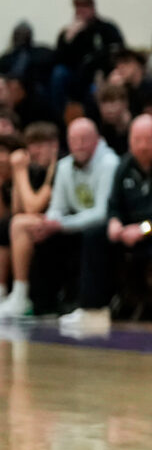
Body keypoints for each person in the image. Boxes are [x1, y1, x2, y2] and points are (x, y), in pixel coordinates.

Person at [63, 115, 152, 335]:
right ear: (130, 141)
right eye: (137, 140)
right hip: (136, 232)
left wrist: (144, 228)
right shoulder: (125, 165)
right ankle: (93, 309)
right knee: (95, 234)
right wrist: (115, 222)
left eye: (149, 139)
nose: (143, 145)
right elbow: (114, 204)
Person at [0, 119, 117, 321]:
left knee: (23, 224)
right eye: (74, 139)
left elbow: (101, 213)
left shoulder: (109, 163)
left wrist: (59, 224)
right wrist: (50, 223)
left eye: (84, 139)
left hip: (101, 226)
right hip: (70, 225)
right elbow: (55, 208)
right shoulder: (65, 165)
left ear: (97, 140)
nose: (79, 144)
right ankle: (37, 302)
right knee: (27, 228)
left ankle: (22, 295)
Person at [51, 0, 124, 115]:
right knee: (58, 73)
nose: (81, 13)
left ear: (92, 9)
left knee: (96, 86)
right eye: (78, 10)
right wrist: (68, 39)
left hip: (97, 73)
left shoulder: (106, 28)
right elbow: (58, 58)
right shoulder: (69, 32)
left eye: (84, 9)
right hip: (75, 74)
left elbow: (117, 50)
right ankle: (61, 115)